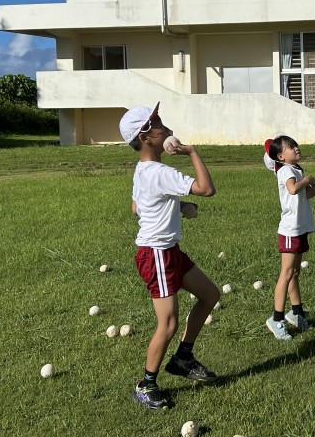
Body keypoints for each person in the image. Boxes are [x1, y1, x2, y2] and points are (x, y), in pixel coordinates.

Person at [119, 103, 220, 410]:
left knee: (209, 295)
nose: (164, 125)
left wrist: (175, 208)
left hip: (168, 251)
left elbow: (138, 207)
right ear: (146, 136)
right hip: (157, 254)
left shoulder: (143, 170)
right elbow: (206, 189)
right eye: (157, 123)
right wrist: (192, 151)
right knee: (168, 323)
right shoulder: (160, 172)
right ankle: (145, 385)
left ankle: (183, 358)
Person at [263, 136, 315, 340]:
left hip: (300, 227)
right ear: (280, 156)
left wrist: (312, 186)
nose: (296, 148)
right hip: (289, 230)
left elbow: (305, 195)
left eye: (295, 145)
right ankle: (276, 319)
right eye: (290, 147)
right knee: (286, 273)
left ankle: (297, 312)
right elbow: (293, 189)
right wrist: (306, 181)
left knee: (295, 272)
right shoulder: (285, 170)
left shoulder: (296, 169)